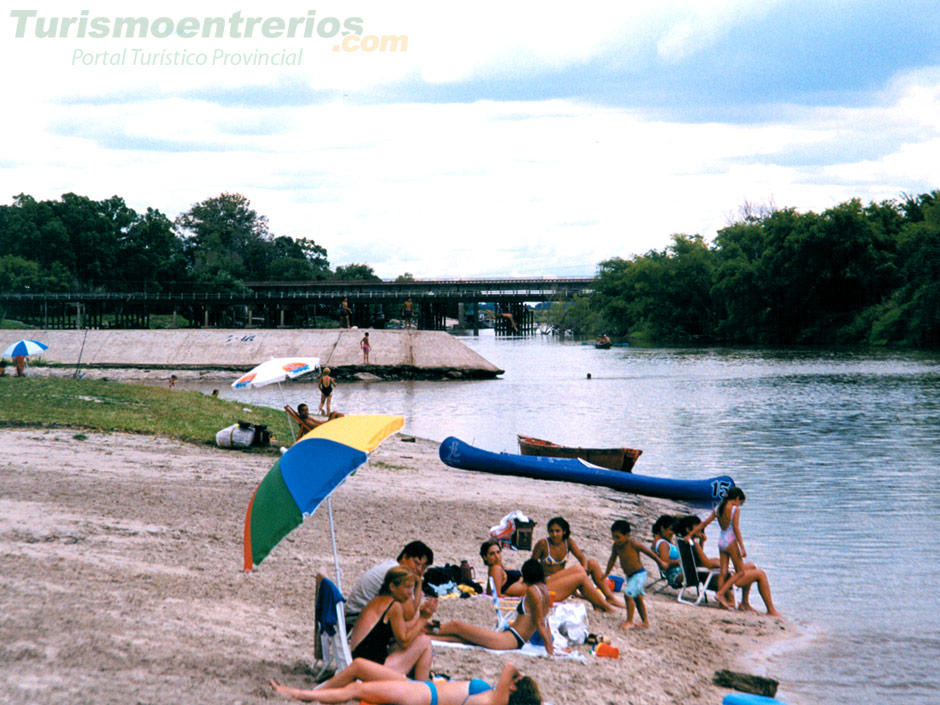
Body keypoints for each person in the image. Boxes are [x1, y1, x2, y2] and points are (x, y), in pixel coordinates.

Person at [269, 660, 541, 705]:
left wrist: (517, 676)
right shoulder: (496, 696)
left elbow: (509, 665)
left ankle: (298, 694)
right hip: (422, 687)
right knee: (360, 666)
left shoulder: (498, 699)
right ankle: (317, 692)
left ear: (514, 688)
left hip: (422, 696)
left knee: (357, 688)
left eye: (515, 682)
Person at [436, 559, 554, 655]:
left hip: (509, 639)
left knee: (456, 626)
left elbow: (540, 624)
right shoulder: (545, 591)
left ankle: (424, 628)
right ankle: (427, 634)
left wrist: (550, 651)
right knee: (462, 638)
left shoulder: (532, 590)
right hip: (512, 639)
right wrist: (551, 648)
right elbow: (545, 621)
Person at [347, 567, 436, 679]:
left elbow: (400, 629)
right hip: (370, 668)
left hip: (361, 661)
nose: (410, 593)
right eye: (407, 587)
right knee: (424, 641)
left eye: (411, 588)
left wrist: (420, 625)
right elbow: (404, 641)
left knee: (418, 639)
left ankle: (423, 685)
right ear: (393, 587)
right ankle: (424, 688)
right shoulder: (394, 606)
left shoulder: (380, 600)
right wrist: (423, 618)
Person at [481, 540, 618, 611]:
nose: (496, 556)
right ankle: (606, 606)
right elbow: (496, 594)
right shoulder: (495, 569)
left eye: (498, 552)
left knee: (578, 568)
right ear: (485, 558)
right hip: (538, 591)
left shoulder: (500, 568)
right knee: (581, 577)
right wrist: (517, 596)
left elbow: (493, 587)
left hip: (537, 584)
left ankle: (598, 604)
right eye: (492, 554)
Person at [531, 516, 622, 610]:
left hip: (564, 578)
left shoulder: (568, 542)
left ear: (564, 532)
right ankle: (601, 604)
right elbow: (531, 566)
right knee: (581, 576)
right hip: (550, 582)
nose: (554, 534)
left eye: (557, 531)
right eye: (551, 531)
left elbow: (582, 557)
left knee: (592, 563)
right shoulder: (543, 544)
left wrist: (584, 570)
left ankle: (610, 597)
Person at [346, 541, 436, 629]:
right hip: (357, 620)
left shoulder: (392, 566)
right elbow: (409, 615)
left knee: (418, 628)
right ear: (404, 557)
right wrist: (419, 582)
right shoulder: (398, 575)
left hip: (356, 615)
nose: (419, 570)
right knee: (417, 630)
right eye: (416, 563)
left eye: (424, 568)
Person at [605, 519, 668, 630]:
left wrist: (660, 562)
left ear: (627, 535)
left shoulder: (633, 544)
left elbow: (650, 553)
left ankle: (629, 621)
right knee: (637, 598)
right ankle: (645, 621)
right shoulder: (616, 547)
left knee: (628, 594)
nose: (615, 540)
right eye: (613, 537)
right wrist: (606, 573)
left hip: (639, 574)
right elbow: (612, 560)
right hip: (630, 576)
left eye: (618, 537)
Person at [692, 487, 747, 610]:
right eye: (741, 503)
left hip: (721, 541)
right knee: (740, 572)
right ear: (737, 499)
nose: (740, 505)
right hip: (730, 541)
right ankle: (721, 593)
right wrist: (742, 547)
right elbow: (736, 529)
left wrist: (691, 535)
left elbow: (705, 523)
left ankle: (721, 602)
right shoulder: (734, 509)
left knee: (723, 572)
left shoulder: (718, 508)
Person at [651, 515, 682, 589]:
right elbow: (664, 562)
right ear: (662, 528)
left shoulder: (661, 540)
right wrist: (681, 563)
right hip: (676, 575)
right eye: (671, 530)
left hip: (677, 573)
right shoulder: (663, 544)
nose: (673, 533)